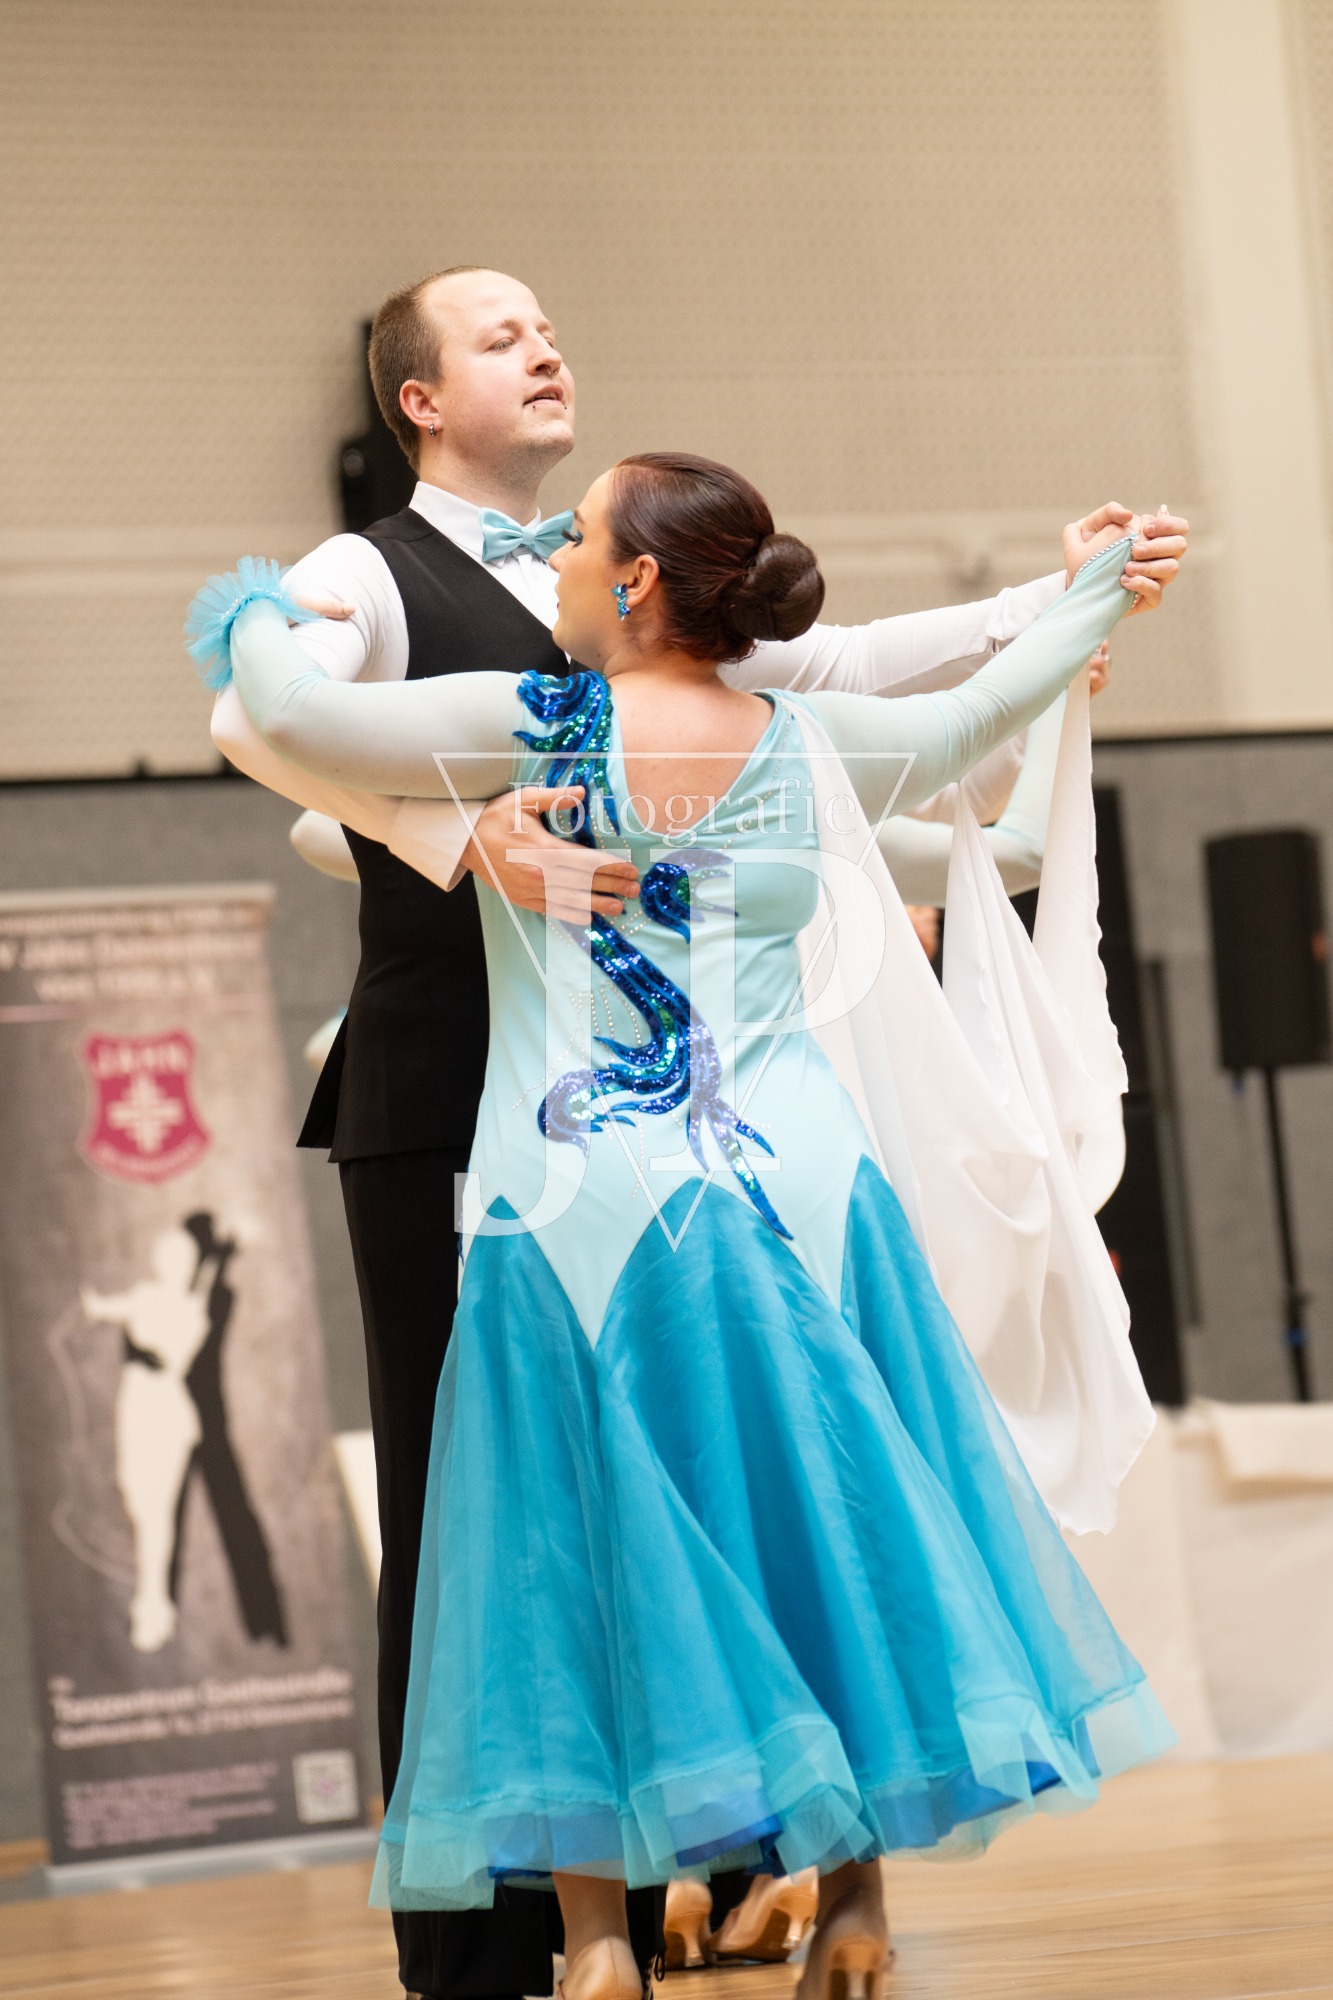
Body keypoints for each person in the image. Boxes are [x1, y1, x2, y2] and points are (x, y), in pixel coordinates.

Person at [203, 266, 1185, 1999]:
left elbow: (280, 721)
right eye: (500, 333)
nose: (561, 569)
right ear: (419, 395)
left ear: (631, 581)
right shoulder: (799, 742)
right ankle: (850, 1900)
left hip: (571, 1181)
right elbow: (965, 730)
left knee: (549, 1536)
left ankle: (593, 1936)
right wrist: (1089, 595)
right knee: (821, 1507)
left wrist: (255, 614)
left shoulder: (536, 723)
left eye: (585, 546)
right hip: (793, 1173)